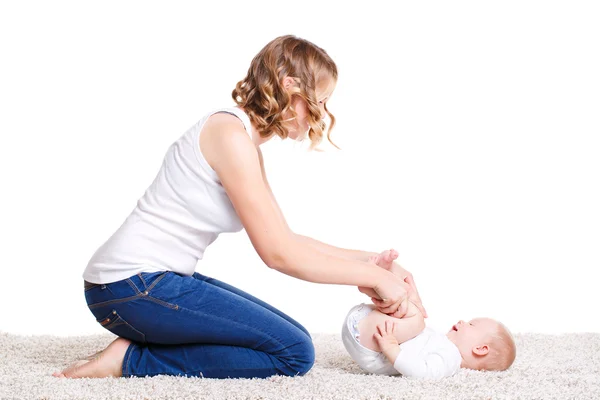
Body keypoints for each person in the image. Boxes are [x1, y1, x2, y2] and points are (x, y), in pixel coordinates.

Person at [53, 35, 426, 380]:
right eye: (321, 99)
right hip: (131, 286)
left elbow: (287, 238)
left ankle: (141, 345)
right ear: (288, 84)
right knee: (294, 353)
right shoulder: (229, 136)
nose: (322, 112)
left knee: (290, 338)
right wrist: (377, 281)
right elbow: (278, 255)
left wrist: (371, 263)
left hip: (150, 281)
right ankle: (131, 360)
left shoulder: (243, 140)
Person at [342, 254, 516, 379]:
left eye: (471, 325)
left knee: (417, 318)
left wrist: (392, 349)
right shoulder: (442, 344)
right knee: (409, 314)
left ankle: (379, 279)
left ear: (480, 349)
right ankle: (376, 282)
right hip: (368, 326)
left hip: (374, 347)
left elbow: (422, 373)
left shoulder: (451, 359)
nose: (463, 321)